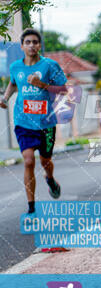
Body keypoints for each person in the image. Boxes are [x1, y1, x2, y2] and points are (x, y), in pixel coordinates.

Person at [0, 28, 68, 215]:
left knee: (46, 161)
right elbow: (14, 83)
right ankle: (31, 207)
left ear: (40, 45)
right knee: (29, 161)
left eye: (35, 42)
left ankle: (50, 178)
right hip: (23, 121)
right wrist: (5, 98)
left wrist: (42, 85)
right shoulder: (15, 67)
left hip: (46, 123)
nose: (32, 45)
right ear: (22, 46)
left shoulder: (49, 66)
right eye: (28, 42)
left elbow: (63, 89)